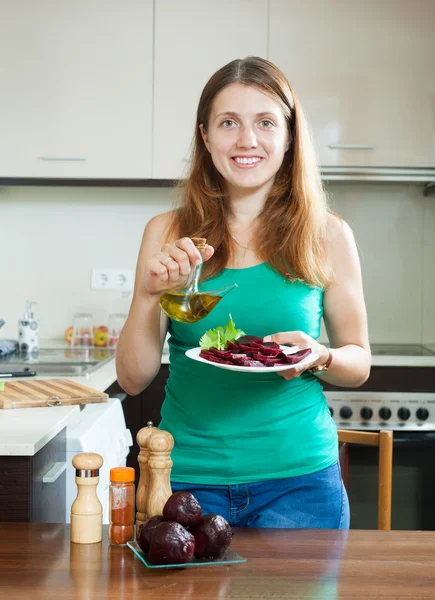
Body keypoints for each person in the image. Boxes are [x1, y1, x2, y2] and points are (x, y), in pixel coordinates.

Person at [116, 56, 371, 529]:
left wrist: (321, 355)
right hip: (187, 482)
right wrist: (148, 296)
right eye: (228, 122)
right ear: (206, 136)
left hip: (302, 484)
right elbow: (133, 380)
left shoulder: (329, 235)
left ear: (290, 137)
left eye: (266, 122)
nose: (247, 140)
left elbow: (359, 362)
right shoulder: (166, 233)